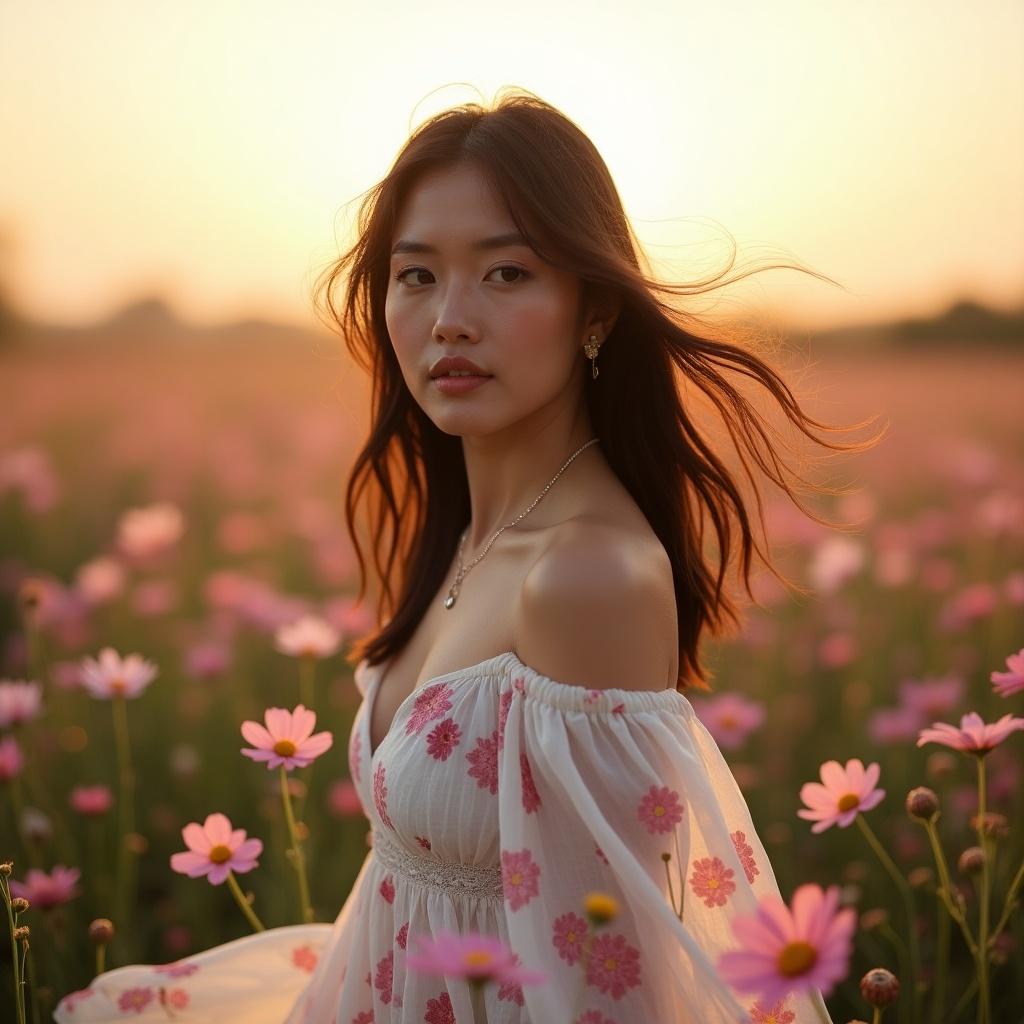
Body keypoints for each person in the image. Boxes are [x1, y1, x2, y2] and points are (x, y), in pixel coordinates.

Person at [53, 88, 881, 1023]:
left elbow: (612, 980)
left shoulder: (586, 578)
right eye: (416, 276)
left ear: (595, 308)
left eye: (507, 273)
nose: (450, 318)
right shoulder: (467, 536)